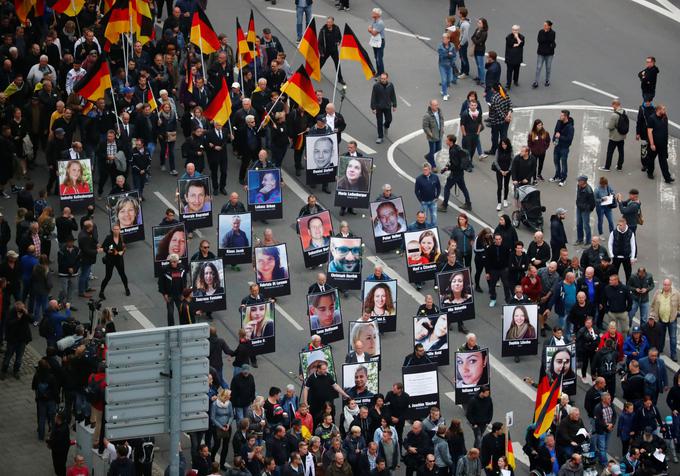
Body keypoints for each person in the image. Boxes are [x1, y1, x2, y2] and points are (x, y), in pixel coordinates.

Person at [649, 278, 680, 361]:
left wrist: (677, 313)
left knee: (673, 338)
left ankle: (673, 354)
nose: (666, 286)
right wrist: (652, 316)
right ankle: (660, 349)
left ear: (670, 285)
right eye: (665, 284)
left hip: (672, 320)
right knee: (660, 336)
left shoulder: (676, 293)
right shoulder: (658, 293)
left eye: (668, 285)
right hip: (660, 319)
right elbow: (653, 305)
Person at [440, 134, 472, 211]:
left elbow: (455, 165)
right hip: (460, 173)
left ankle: (444, 206)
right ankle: (468, 204)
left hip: (455, 174)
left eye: (447, 140)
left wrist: (447, 168)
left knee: (447, 188)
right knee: (463, 188)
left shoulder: (453, 151)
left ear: (451, 141)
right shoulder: (456, 147)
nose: (446, 141)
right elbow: (455, 162)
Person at [98, 224, 129, 300]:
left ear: (119, 230)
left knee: (122, 274)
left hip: (119, 259)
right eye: (114, 229)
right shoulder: (109, 238)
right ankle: (101, 292)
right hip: (110, 260)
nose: (116, 231)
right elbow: (103, 247)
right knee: (108, 276)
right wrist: (108, 251)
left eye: (117, 229)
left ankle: (126, 288)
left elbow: (124, 246)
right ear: (112, 230)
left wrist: (122, 251)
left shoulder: (122, 237)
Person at [646, 104, 673, 183]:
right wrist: (651, 144)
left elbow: (665, 130)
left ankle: (667, 178)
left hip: (663, 145)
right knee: (651, 159)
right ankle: (650, 172)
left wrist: (666, 143)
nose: (665, 111)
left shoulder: (665, 117)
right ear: (658, 110)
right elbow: (649, 132)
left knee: (663, 161)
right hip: (654, 144)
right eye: (663, 109)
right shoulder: (652, 118)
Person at [158, 253, 187, 326]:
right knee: (170, 313)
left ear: (177, 261)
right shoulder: (165, 269)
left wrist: (184, 293)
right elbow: (161, 283)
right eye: (171, 262)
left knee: (181, 311)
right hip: (170, 295)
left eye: (174, 262)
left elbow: (185, 281)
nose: (173, 263)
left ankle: (183, 326)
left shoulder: (182, 268)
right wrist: (164, 294)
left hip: (179, 294)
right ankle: (171, 327)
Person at [484, 234, 512, 307]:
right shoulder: (490, 248)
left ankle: (508, 300)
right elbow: (487, 261)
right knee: (492, 285)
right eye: (496, 239)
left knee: (506, 285)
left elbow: (509, 258)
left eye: (499, 239)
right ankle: (493, 299)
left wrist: (508, 268)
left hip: (504, 269)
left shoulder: (506, 247)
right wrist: (487, 272)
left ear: (501, 239)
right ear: (494, 240)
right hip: (494, 270)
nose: (498, 241)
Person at [601, 99, 628, 171]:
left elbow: (610, 126)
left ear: (615, 105)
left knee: (610, 152)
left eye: (613, 105)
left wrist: (606, 124)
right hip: (622, 136)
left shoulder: (614, 115)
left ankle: (607, 167)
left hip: (614, 137)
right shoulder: (625, 112)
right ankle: (619, 167)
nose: (612, 107)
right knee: (621, 152)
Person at [549, 110, 574, 187]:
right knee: (556, 161)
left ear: (566, 117)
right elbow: (555, 132)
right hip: (557, 146)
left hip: (564, 148)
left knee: (563, 163)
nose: (560, 117)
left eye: (562, 115)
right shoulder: (559, 122)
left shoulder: (570, 127)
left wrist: (560, 137)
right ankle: (557, 175)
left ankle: (563, 178)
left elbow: (569, 139)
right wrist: (554, 140)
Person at [370, 72, 397, 144]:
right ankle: (380, 137)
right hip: (379, 107)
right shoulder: (376, 86)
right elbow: (373, 97)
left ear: (387, 78)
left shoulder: (390, 85)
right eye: (381, 78)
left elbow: (393, 95)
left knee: (389, 120)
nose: (382, 80)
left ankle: (385, 126)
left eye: (384, 79)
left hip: (387, 106)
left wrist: (394, 105)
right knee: (379, 122)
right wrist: (373, 108)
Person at [608, 217, 636, 283]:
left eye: (620, 225)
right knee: (614, 274)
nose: (619, 226)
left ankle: (628, 288)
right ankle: (615, 285)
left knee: (628, 274)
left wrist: (632, 258)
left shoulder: (630, 233)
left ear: (625, 224)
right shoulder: (613, 233)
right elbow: (610, 243)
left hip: (626, 257)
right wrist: (611, 255)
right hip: (616, 257)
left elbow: (633, 246)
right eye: (618, 224)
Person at [533, 20, 556, 88]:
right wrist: (545, 36)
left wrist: (545, 35)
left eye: (546, 25)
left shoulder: (553, 33)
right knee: (538, 67)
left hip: (549, 54)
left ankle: (547, 80)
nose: (544, 26)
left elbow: (550, 40)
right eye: (544, 25)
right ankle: (536, 82)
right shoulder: (541, 31)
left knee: (548, 67)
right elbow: (539, 41)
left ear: (549, 26)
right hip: (541, 53)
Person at [423, 99, 444, 169]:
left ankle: (428, 156)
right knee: (432, 151)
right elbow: (425, 126)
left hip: (439, 135)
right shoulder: (427, 115)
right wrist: (430, 134)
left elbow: (442, 120)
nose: (436, 106)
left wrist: (442, 128)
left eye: (437, 105)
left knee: (439, 149)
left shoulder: (439, 112)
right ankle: (433, 165)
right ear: (431, 106)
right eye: (434, 105)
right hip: (432, 137)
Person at [574, 175, 595, 246]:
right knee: (578, 224)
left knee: (586, 226)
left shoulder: (588, 191)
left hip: (585, 210)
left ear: (583, 181)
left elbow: (592, 203)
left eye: (579, 180)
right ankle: (580, 239)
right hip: (579, 208)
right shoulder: (579, 186)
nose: (578, 182)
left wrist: (588, 209)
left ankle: (588, 241)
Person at [437, 34, 457, 101]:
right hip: (442, 65)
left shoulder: (452, 46)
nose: (443, 40)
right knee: (444, 80)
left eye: (445, 39)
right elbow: (442, 55)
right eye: (443, 39)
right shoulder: (440, 46)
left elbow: (454, 54)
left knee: (449, 80)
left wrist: (449, 54)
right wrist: (449, 54)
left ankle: (443, 90)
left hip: (449, 65)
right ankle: (445, 94)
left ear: (448, 39)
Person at [368, 8, 386, 75]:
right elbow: (370, 28)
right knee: (376, 57)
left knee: (379, 58)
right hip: (376, 41)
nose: (372, 13)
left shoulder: (380, 23)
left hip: (380, 42)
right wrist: (370, 29)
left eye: (373, 13)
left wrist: (370, 29)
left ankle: (382, 73)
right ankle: (379, 72)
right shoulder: (374, 20)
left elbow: (373, 33)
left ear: (377, 14)